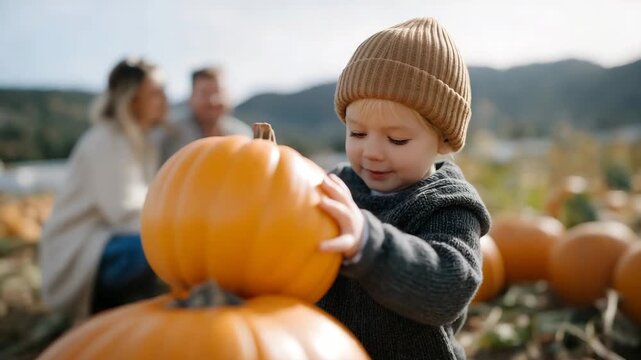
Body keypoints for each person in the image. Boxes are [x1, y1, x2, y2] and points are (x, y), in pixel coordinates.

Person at [316, 18, 491, 360]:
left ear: (443, 140)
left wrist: (370, 243)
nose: (372, 152)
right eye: (357, 134)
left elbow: (450, 287)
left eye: (397, 139)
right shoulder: (336, 186)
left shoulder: (448, 207)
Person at [39, 57, 168, 322]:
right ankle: (118, 319)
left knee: (161, 247)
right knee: (158, 250)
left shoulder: (141, 141)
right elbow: (127, 215)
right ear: (132, 99)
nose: (164, 98)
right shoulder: (105, 142)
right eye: (155, 92)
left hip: (110, 241)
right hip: (81, 253)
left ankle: (131, 317)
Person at [159, 66, 252, 162]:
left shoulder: (243, 136)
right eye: (205, 94)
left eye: (218, 92)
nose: (213, 101)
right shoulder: (171, 135)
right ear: (191, 98)